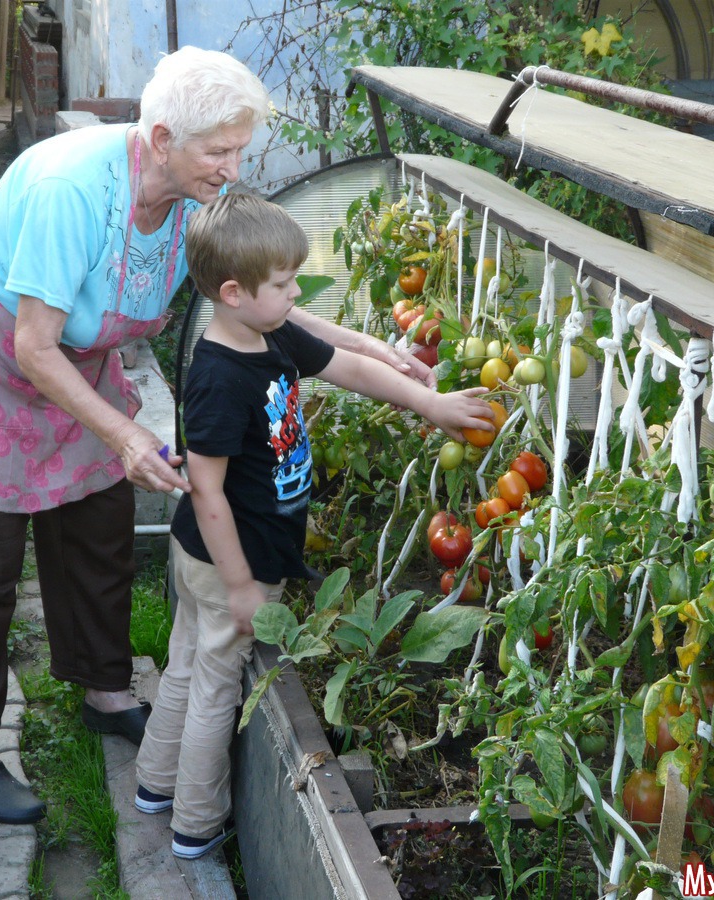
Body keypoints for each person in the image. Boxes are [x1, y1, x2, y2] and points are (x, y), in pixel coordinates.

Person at [0, 46, 437, 827]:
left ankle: (106, 691)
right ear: (161, 138)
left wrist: (367, 346)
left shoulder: (196, 202)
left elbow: (264, 300)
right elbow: (30, 344)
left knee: (98, 528)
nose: (232, 168)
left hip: (75, 360)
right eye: (218, 151)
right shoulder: (72, 192)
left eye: (239, 150)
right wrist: (126, 433)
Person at [133, 192, 493, 859]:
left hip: (217, 558)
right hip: (227, 560)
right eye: (284, 283)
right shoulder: (217, 376)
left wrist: (429, 402)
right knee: (215, 684)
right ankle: (196, 825)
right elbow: (207, 492)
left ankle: (155, 785)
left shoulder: (267, 331)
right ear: (235, 292)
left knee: (187, 663)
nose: (297, 292)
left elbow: (347, 365)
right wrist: (242, 584)